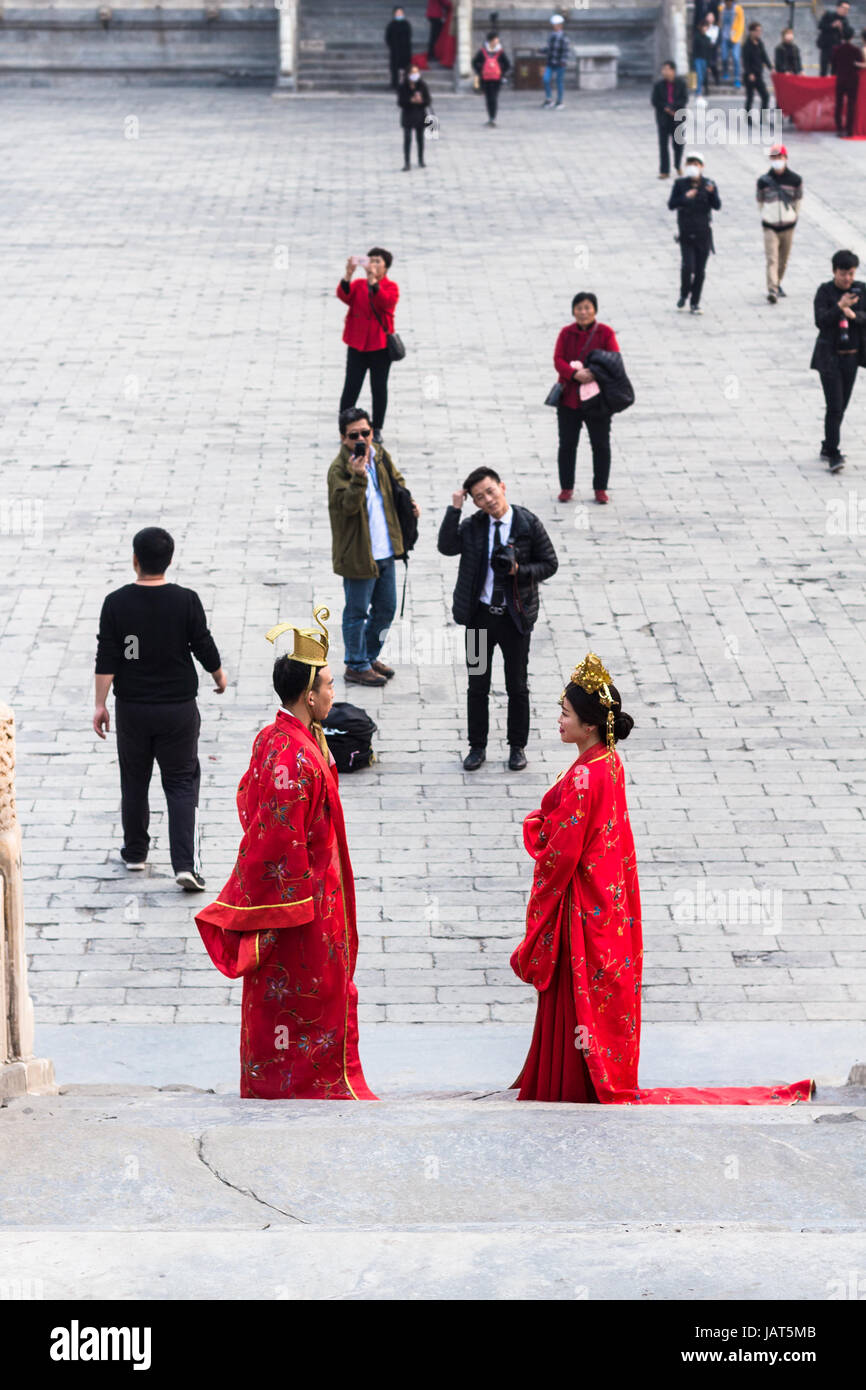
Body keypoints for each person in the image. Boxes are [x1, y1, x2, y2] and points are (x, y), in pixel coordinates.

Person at [510, 652, 814, 1106]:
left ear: (589, 725)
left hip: (580, 909)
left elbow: (560, 856)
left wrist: (536, 830)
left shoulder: (581, 780)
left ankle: (573, 1083)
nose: (558, 720)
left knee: (575, 1002)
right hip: (608, 904)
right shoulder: (609, 763)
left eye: (566, 713)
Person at [195, 610, 377, 1101]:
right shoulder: (290, 755)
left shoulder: (283, 737)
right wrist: (285, 905)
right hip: (303, 907)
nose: (333, 694)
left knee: (310, 996)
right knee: (304, 997)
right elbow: (275, 835)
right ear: (308, 695)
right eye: (329, 687)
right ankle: (302, 1088)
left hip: (320, 894)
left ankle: (298, 1083)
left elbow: (247, 801)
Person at [93, 526, 226, 891]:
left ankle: (135, 853)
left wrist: (100, 704)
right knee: (182, 783)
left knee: (134, 780)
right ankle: (184, 865)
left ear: (135, 560)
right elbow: (202, 642)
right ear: (169, 560)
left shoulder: (116, 603)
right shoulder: (186, 600)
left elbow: (108, 657)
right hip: (178, 709)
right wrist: (218, 674)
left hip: (133, 708)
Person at [437, 468, 558, 773]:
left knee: (517, 684)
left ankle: (517, 747)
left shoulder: (527, 523)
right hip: (479, 619)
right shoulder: (474, 525)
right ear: (475, 502)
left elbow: (550, 563)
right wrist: (455, 508)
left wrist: (520, 570)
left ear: (502, 487)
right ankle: (477, 747)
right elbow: (446, 547)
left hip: (514, 619)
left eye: (491, 491)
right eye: (479, 497)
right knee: (477, 685)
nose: (488, 499)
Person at [328, 407, 420, 687]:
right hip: (358, 554)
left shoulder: (379, 455)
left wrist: (408, 502)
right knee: (356, 612)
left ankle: (367, 656)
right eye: (354, 435)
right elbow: (347, 508)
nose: (362, 439)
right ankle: (356, 665)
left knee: (386, 608)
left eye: (365, 433)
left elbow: (397, 481)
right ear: (343, 438)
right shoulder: (338, 470)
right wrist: (358, 477)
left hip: (386, 548)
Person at [552, 292, 621, 505]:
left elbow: (614, 359)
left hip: (597, 400)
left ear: (595, 310)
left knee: (600, 445)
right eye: (579, 308)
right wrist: (574, 374)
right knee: (567, 445)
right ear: (573, 311)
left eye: (587, 308)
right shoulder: (566, 333)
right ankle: (566, 487)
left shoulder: (605, 333)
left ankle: (600, 488)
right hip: (569, 399)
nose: (583, 312)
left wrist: (593, 373)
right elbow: (558, 359)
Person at [810, 249, 866, 471]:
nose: (847, 278)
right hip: (829, 358)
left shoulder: (861, 290)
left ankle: (827, 445)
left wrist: (854, 315)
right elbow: (821, 321)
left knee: (841, 406)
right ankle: (833, 452)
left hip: (851, 357)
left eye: (851, 273)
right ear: (834, 272)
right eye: (843, 274)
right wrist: (839, 307)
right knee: (834, 406)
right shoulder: (825, 292)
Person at [336, 247, 399, 443]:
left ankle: (377, 427)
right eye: (370, 260)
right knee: (351, 387)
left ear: (385, 267)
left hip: (379, 346)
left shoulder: (390, 287)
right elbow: (344, 295)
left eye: (377, 261)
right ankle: (344, 427)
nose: (372, 264)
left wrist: (374, 282)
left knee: (378, 388)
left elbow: (385, 303)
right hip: (357, 343)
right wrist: (348, 274)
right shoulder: (358, 284)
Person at [668, 152, 721, 316]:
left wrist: (712, 193)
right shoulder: (680, 184)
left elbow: (717, 205)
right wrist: (685, 197)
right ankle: (684, 293)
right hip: (686, 233)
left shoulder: (709, 184)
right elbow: (671, 204)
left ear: (702, 167)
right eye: (690, 164)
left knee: (700, 271)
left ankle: (695, 302)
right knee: (687, 266)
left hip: (703, 234)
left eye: (696, 164)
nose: (693, 167)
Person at [756, 143, 803, 304]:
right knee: (772, 259)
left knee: (783, 260)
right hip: (770, 225)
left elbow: (798, 201)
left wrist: (793, 217)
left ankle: (778, 282)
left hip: (788, 226)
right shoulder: (763, 181)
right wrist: (766, 215)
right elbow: (760, 201)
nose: (777, 160)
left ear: (785, 158)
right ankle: (772, 289)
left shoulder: (795, 180)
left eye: (779, 157)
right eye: (774, 157)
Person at [651, 60, 688, 179]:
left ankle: (677, 165)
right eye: (663, 70)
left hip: (678, 117)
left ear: (673, 71)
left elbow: (684, 99)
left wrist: (673, 108)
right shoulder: (658, 85)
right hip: (663, 118)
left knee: (678, 144)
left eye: (667, 69)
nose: (664, 72)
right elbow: (655, 101)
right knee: (663, 145)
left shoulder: (681, 83)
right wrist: (666, 108)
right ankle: (664, 170)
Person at [472, 30, 511, 126]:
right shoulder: (483, 51)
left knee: (493, 98)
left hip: (496, 79)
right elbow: (474, 62)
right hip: (485, 78)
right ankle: (491, 117)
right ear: (491, 40)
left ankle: (492, 118)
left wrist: (501, 72)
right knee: (488, 98)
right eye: (495, 39)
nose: (497, 40)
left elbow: (507, 64)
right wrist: (480, 71)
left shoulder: (500, 51)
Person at [398, 63, 432, 167]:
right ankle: (407, 162)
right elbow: (400, 102)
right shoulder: (403, 86)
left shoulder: (422, 85)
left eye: (417, 72)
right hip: (408, 115)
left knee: (420, 138)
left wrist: (421, 101)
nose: (415, 74)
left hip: (420, 115)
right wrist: (411, 100)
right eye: (413, 72)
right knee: (407, 139)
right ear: (408, 74)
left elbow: (428, 100)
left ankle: (421, 159)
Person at [831, 30, 862, 136]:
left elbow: (833, 65)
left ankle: (839, 127)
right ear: (852, 37)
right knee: (851, 104)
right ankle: (849, 129)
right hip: (853, 80)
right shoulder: (856, 50)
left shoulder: (836, 49)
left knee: (839, 104)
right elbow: (859, 65)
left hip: (840, 79)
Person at [742, 22, 774, 118]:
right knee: (750, 98)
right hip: (750, 76)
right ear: (751, 31)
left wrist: (771, 68)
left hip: (758, 74)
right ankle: (748, 118)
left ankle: (763, 119)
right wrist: (749, 73)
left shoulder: (760, 43)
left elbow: (764, 56)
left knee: (765, 96)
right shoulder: (746, 45)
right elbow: (745, 61)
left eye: (760, 31)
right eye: (756, 31)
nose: (758, 33)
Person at [541, 12, 570, 110]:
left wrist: (563, 61)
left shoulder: (564, 37)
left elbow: (566, 51)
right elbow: (549, 48)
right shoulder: (551, 36)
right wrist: (542, 51)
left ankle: (559, 101)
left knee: (559, 82)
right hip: (550, 62)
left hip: (559, 64)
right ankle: (549, 99)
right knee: (546, 79)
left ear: (560, 25)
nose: (555, 27)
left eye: (556, 25)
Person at [817, 1, 853, 77]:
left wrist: (841, 28)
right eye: (844, 8)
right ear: (838, 7)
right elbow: (820, 26)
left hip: (837, 48)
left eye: (847, 9)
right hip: (826, 46)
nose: (845, 11)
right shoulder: (829, 15)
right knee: (823, 70)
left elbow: (848, 35)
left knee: (835, 71)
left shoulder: (845, 21)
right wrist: (832, 25)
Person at [385, 5, 412, 91]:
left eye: (401, 12)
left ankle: (405, 83)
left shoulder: (406, 24)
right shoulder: (391, 25)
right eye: (397, 13)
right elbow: (387, 37)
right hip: (395, 50)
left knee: (405, 68)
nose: (399, 14)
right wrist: (392, 45)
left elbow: (409, 36)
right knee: (394, 68)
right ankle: (395, 83)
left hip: (405, 50)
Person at [719, 0, 745, 87]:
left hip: (735, 38)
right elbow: (719, 22)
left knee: (736, 58)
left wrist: (738, 37)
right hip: (725, 37)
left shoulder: (738, 9)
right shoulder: (721, 8)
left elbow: (741, 24)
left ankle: (737, 79)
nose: (728, 3)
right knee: (724, 57)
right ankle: (725, 70)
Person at [692, 16, 715, 95]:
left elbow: (709, 52)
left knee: (703, 77)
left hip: (705, 60)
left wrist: (708, 65)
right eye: (703, 26)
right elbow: (694, 50)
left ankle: (699, 90)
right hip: (698, 59)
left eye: (706, 26)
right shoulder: (697, 37)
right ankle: (698, 92)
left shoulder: (708, 39)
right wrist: (693, 61)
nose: (704, 28)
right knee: (699, 76)